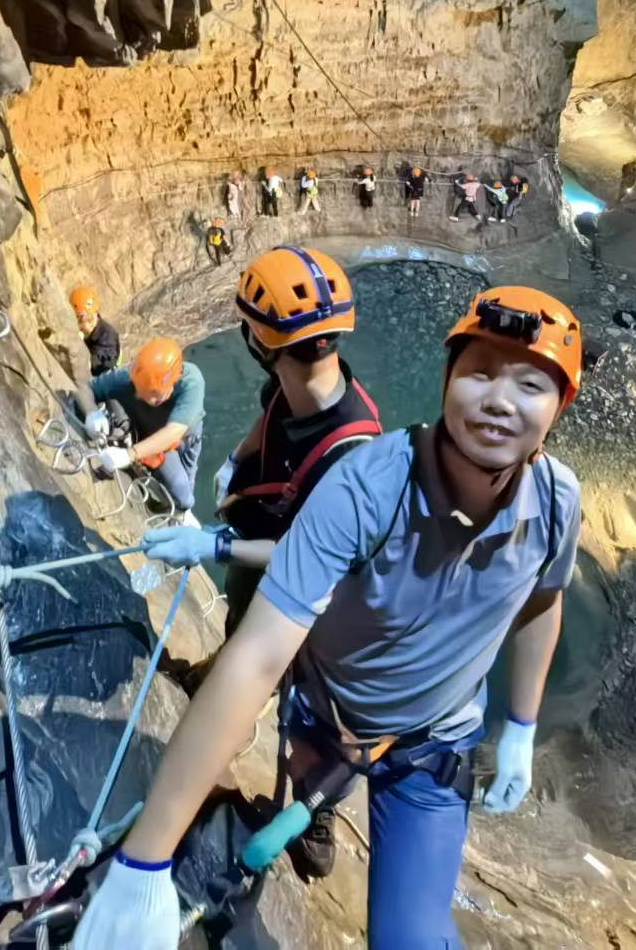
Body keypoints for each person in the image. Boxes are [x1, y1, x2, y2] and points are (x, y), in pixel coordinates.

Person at [76, 286, 587, 950]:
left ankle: (315, 820)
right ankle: (314, 818)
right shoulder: (369, 486)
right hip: (329, 718)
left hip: (434, 747)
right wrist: (143, 860)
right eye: (480, 372)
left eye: (530, 384)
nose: (499, 399)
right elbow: (257, 656)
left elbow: (543, 598)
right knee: (312, 797)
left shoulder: (556, 502)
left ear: (559, 407)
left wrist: (521, 723)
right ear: (448, 378)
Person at [144, 246, 384, 875]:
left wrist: (214, 545)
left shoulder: (355, 456)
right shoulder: (300, 384)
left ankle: (313, 815)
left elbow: (314, 558)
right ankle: (211, 677)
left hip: (309, 590)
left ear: (264, 341)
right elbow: (271, 419)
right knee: (239, 634)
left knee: (303, 696)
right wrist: (237, 470)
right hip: (259, 550)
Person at [76, 337, 206, 518]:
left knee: (185, 499)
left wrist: (130, 454)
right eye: (144, 393)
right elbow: (85, 389)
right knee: (181, 495)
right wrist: (92, 413)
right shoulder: (127, 378)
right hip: (145, 429)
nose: (151, 400)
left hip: (180, 440)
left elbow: (174, 431)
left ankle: (178, 513)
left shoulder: (191, 382)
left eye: (156, 395)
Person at [70, 284, 121, 378]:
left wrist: (78, 344)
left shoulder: (107, 336)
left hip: (103, 382)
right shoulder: (87, 333)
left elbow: (94, 365)